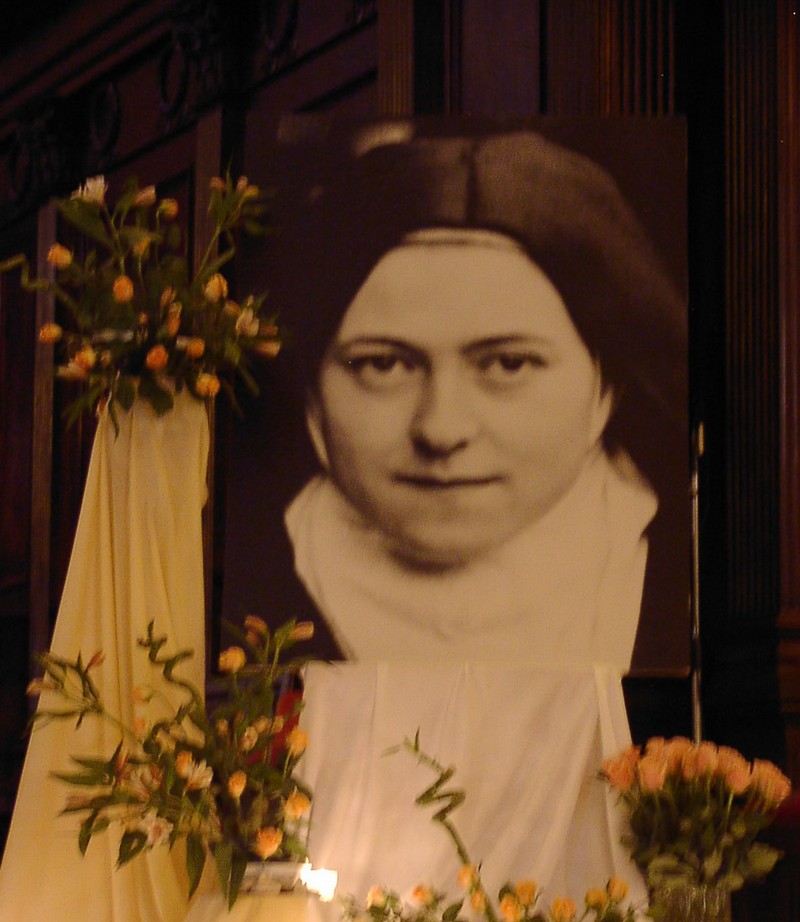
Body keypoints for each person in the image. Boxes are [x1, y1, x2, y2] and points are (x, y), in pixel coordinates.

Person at [225, 120, 689, 674]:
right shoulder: (248, 595)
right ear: (312, 399)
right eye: (383, 364)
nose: (441, 429)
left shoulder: (684, 584)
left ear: (605, 391)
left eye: (508, 363)